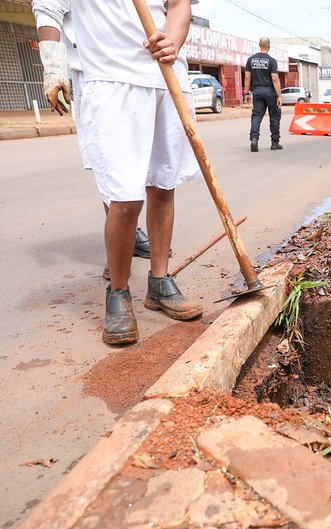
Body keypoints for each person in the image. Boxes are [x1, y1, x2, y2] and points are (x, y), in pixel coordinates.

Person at [37, 0, 204, 345]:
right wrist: (53, 66)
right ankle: (118, 292)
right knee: (124, 197)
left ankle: (159, 282)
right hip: (110, 79)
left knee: (162, 186)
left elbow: (178, 5)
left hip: (166, 75)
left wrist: (172, 39)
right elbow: (47, 8)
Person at [32, 0, 152, 280]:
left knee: (145, 171)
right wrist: (53, 68)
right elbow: (48, 8)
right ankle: (120, 245)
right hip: (97, 77)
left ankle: (130, 233)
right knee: (112, 168)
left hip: (143, 75)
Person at [244, 37, 282, 152]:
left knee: (256, 116)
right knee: (274, 117)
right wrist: (279, 95)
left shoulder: (251, 60)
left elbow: (247, 77)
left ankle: (254, 139)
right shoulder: (272, 61)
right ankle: (275, 142)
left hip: (257, 91)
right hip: (270, 91)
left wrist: (246, 93)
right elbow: (275, 79)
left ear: (259, 45)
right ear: (269, 46)